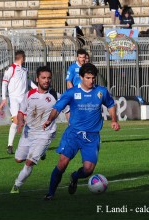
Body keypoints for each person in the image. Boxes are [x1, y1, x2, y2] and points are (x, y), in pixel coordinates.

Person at [42, 63, 120, 200]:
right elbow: (57, 108)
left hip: (92, 136)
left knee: (88, 169)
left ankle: (75, 176)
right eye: (88, 78)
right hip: (73, 134)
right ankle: (50, 193)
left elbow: (111, 105)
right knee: (62, 163)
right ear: (81, 77)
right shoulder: (72, 92)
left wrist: (114, 119)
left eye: (93, 78)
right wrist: (49, 120)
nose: (91, 81)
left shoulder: (101, 91)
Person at [10, 66, 59, 193]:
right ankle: (42, 153)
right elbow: (21, 112)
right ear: (37, 79)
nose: (46, 80)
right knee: (18, 159)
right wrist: (20, 123)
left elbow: (67, 110)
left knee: (29, 162)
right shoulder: (29, 94)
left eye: (48, 78)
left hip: (45, 134)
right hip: (28, 132)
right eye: (43, 78)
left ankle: (17, 185)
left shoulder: (55, 96)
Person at [0, 50, 28, 155]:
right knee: (16, 121)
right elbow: (4, 83)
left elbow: (27, 82)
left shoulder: (25, 70)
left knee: (27, 120)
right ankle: (10, 145)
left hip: (23, 99)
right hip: (14, 99)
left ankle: (28, 144)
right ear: (22, 58)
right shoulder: (11, 69)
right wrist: (4, 98)